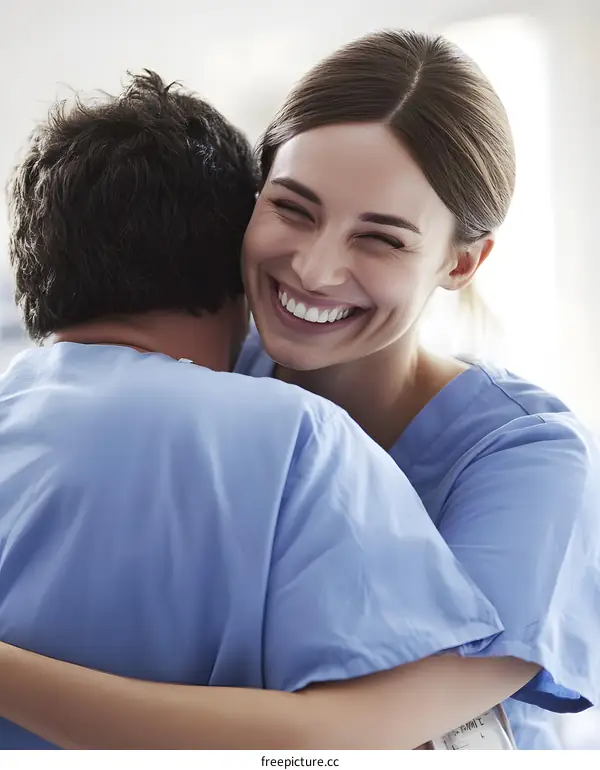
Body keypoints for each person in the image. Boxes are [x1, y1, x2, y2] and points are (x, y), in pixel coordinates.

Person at [0, 30, 598, 750]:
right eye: (293, 208)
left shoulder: (528, 462)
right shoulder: (209, 379)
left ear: (461, 262)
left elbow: (352, 734)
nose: (314, 270)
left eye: (380, 239)